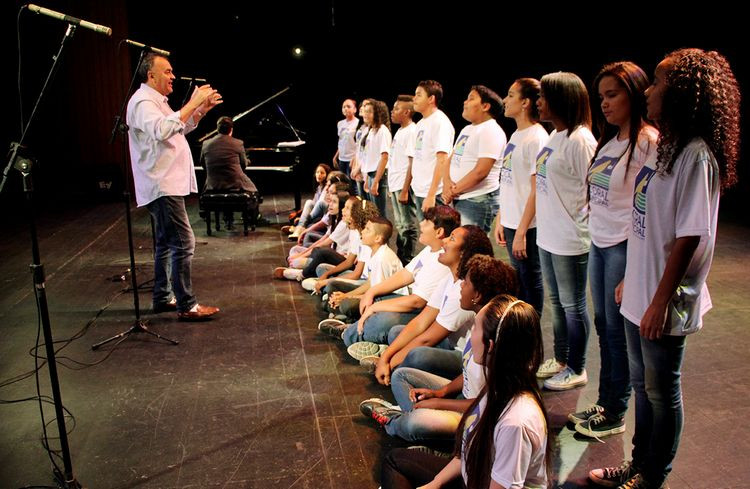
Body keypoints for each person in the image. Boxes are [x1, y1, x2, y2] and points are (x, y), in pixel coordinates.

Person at [589, 48, 741, 489]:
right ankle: (637, 463)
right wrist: (628, 279)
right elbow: (643, 225)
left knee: (661, 390)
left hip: (664, 301)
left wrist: (658, 301)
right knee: (642, 387)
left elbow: (688, 238)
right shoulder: (666, 149)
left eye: (658, 83)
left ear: (682, 96)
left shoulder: (696, 156)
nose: (650, 91)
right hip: (639, 290)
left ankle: (653, 475)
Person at [380, 296, 550, 489]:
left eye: (475, 328)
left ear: (490, 345)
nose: (472, 333)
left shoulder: (516, 422)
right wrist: (434, 484)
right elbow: (468, 453)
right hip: (474, 475)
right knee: (395, 460)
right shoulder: (498, 387)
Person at [572, 62, 658, 440]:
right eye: (601, 97)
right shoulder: (612, 140)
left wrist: (633, 268)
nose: (604, 104)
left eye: (613, 95)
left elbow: (650, 209)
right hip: (601, 242)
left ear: (635, 94)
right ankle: (607, 400)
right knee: (607, 328)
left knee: (619, 334)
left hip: (624, 246)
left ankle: (615, 410)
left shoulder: (647, 141)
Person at [358, 256, 517, 444]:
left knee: (415, 423)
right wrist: (440, 392)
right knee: (401, 376)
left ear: (477, 296)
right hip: (464, 398)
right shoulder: (479, 321)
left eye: (465, 282)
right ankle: (422, 425)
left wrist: (439, 402)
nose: (460, 286)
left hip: (477, 417)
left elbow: (487, 403)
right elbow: (470, 375)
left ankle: (397, 422)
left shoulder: (493, 334)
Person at [126, 53, 220, 320]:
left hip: (167, 182)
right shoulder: (143, 102)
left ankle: (163, 296)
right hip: (161, 182)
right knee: (183, 242)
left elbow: (177, 127)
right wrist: (192, 102)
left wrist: (200, 110)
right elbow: (162, 130)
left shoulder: (157, 102)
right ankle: (187, 304)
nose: (172, 77)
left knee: (167, 243)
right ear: (150, 75)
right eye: (167, 72)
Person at [534, 72, 597, 389]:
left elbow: (595, 193)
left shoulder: (581, 141)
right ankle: (561, 359)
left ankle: (577, 367)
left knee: (573, 307)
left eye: (544, 96)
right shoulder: (555, 136)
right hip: (548, 236)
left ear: (561, 100)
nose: (538, 102)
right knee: (557, 305)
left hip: (570, 240)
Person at [371, 225, 494, 382]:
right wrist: (386, 357)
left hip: (463, 355)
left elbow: (428, 339)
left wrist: (386, 364)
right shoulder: (449, 279)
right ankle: (391, 363)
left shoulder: (463, 291)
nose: (443, 241)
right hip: (447, 342)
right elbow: (421, 322)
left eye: (452, 239)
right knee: (396, 332)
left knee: (418, 356)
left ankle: (396, 373)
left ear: (464, 253)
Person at [336, 206, 460, 354]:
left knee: (381, 321)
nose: (420, 224)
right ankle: (359, 333)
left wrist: (375, 306)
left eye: (426, 222)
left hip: (423, 313)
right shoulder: (429, 250)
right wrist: (371, 293)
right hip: (412, 302)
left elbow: (417, 302)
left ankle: (349, 335)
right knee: (372, 300)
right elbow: (404, 275)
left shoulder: (442, 259)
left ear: (439, 232)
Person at [494, 78, 549, 316]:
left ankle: (530, 331)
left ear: (525, 102)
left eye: (510, 95)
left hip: (526, 226)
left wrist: (522, 231)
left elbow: (537, 190)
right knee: (520, 281)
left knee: (529, 281)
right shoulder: (517, 135)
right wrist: (501, 218)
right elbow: (509, 181)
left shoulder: (537, 138)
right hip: (512, 222)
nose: (505, 100)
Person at [442, 85, 506, 232]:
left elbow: (481, 171)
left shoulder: (491, 130)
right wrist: (446, 183)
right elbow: (451, 159)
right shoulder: (467, 129)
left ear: (485, 106)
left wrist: (451, 191)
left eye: (471, 99)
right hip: (460, 197)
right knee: (460, 246)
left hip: (477, 200)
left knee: (472, 248)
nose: (465, 102)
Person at [200, 116, 258, 230]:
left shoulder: (206, 144)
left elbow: (203, 164)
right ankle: (251, 219)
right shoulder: (238, 143)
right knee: (254, 190)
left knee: (223, 186)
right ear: (231, 129)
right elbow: (243, 165)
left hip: (214, 184)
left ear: (217, 129)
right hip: (234, 183)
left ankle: (227, 219)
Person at [410, 80, 455, 220]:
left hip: (434, 193)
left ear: (431, 99)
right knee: (426, 235)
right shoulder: (421, 123)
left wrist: (431, 194)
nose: (414, 98)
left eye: (418, 95)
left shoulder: (440, 122)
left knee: (437, 238)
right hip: (420, 189)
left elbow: (442, 160)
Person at [388, 95, 419, 264]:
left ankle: (407, 261)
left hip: (403, 184)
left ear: (407, 112)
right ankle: (401, 260)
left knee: (407, 225)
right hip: (395, 183)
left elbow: (411, 163)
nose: (393, 112)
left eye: (396, 109)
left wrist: (405, 189)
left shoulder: (412, 131)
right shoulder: (401, 130)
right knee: (400, 225)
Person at [283, 163, 331, 239]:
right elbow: (314, 204)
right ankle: (299, 227)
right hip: (315, 214)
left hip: (324, 214)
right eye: (317, 172)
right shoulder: (319, 187)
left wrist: (303, 217)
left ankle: (298, 228)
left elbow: (319, 205)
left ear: (327, 175)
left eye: (322, 173)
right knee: (309, 203)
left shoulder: (327, 188)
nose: (319, 175)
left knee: (316, 203)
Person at [362, 100, 392, 217]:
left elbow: (384, 157)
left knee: (379, 213)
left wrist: (376, 181)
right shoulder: (371, 131)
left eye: (369, 112)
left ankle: (383, 236)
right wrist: (367, 179)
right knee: (374, 212)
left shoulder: (382, 131)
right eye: (365, 111)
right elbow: (370, 156)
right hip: (371, 175)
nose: (365, 114)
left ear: (377, 114)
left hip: (378, 175)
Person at [332, 98, 358, 177]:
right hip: (342, 159)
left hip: (352, 158)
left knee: (353, 183)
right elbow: (341, 141)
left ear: (355, 109)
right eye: (344, 107)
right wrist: (335, 157)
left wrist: (356, 158)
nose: (346, 108)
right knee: (343, 183)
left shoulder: (358, 123)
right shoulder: (340, 123)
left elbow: (359, 144)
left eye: (348, 106)